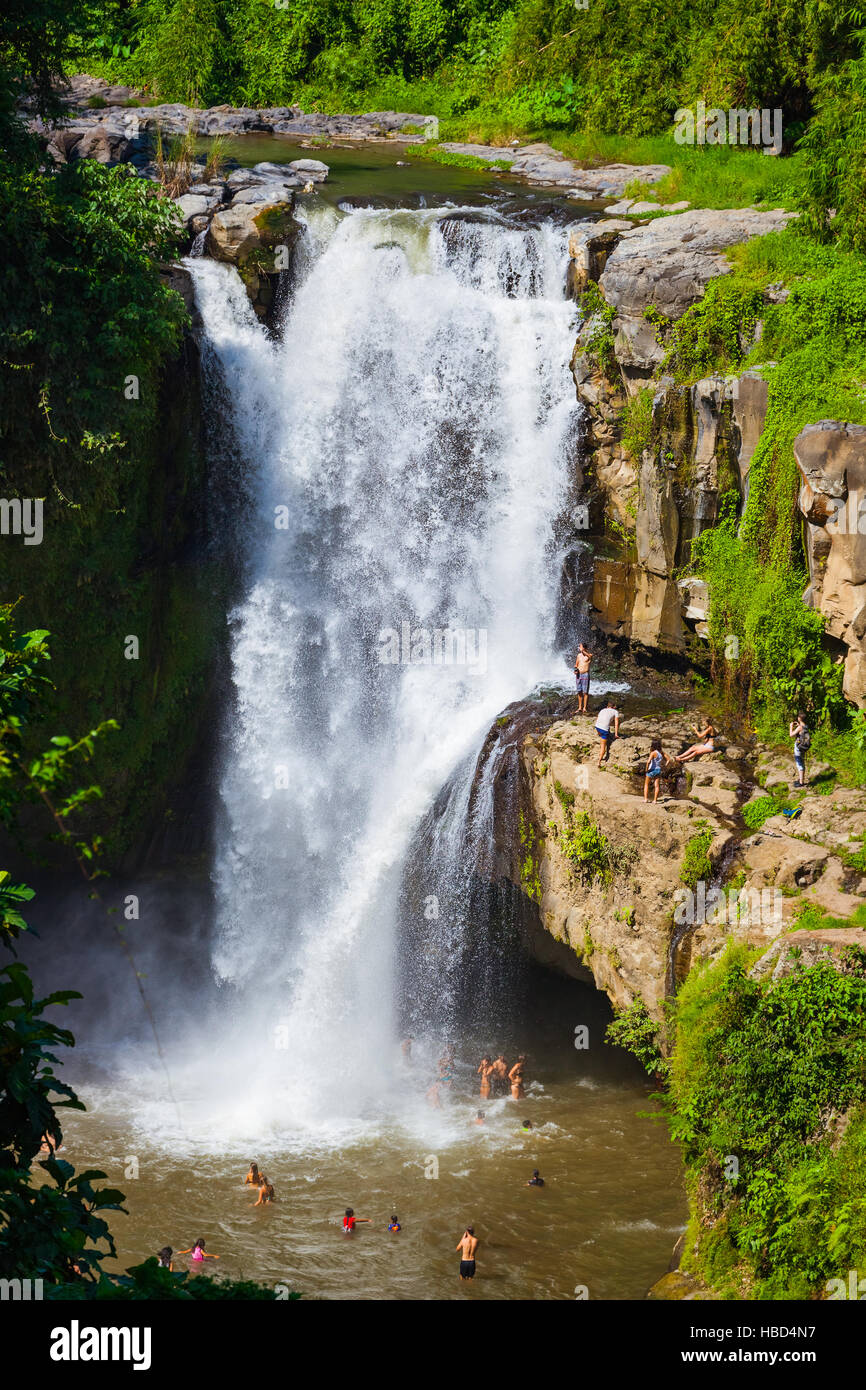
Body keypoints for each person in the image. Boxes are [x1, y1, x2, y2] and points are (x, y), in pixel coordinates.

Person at [595, 698, 620, 766]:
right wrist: (616, 734)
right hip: (604, 729)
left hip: (597, 726)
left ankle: (600, 734)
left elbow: (597, 718)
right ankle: (599, 761)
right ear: (614, 707)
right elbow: (616, 723)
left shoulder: (602, 710)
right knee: (603, 746)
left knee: (603, 732)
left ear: (607, 706)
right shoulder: (615, 712)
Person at [789, 710, 810, 786]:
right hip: (803, 747)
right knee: (802, 762)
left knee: (799, 764)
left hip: (798, 747)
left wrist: (791, 727)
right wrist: (798, 725)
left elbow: (791, 735)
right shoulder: (805, 726)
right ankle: (801, 780)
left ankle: (801, 782)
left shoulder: (800, 728)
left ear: (799, 718)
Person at [574, 642, 594, 713]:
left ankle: (585, 708)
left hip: (585, 674)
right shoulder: (579, 655)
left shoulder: (589, 655)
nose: (579, 648)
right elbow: (576, 664)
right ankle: (580, 707)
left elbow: (589, 656)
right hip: (578, 675)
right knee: (579, 691)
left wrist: (583, 651)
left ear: (584, 648)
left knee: (585, 692)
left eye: (580, 646)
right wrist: (575, 669)